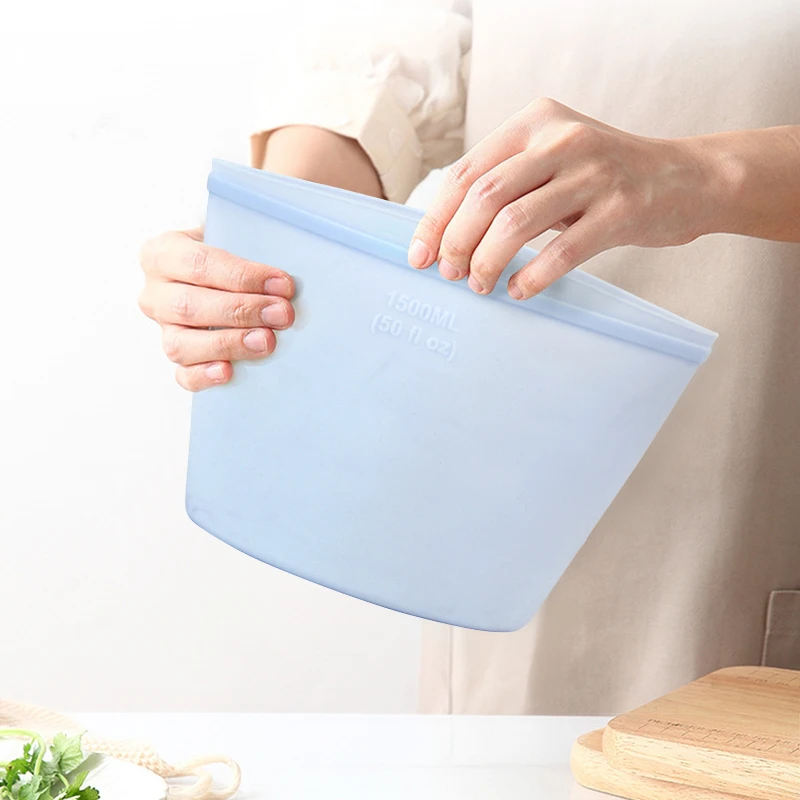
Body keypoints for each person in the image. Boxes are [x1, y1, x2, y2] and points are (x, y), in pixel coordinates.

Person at [138, 0, 800, 714]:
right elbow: (384, 60)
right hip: (492, 494)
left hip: (753, 482)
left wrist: (706, 174)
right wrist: (277, 248)